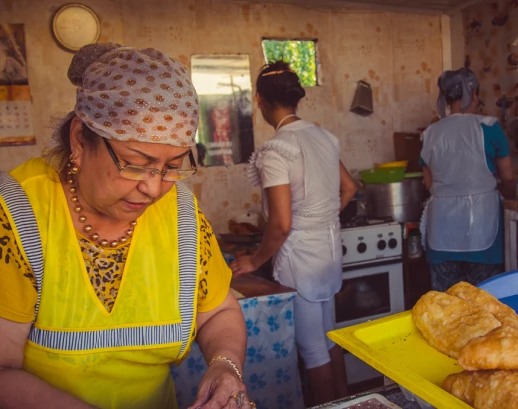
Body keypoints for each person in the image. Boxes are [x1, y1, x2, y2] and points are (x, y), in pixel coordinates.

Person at [0, 43, 252, 409]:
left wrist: (225, 366)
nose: (153, 188)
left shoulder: (180, 211)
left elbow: (218, 310)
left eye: (172, 166)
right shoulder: (18, 213)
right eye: (135, 163)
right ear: (79, 140)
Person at [230, 61, 357, 406]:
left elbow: (282, 224)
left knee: (312, 348)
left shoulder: (277, 150)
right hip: (328, 252)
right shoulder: (324, 137)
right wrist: (321, 218)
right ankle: (347, 403)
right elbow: (349, 188)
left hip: (300, 257)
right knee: (329, 340)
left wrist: (253, 261)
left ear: (259, 99)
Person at [419, 67, 516, 292]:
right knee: (485, 303)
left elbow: (428, 183)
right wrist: (509, 197)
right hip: (482, 222)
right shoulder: (489, 127)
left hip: (442, 227)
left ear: (446, 97)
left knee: (446, 306)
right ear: (473, 94)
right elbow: (508, 177)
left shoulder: (430, 133)